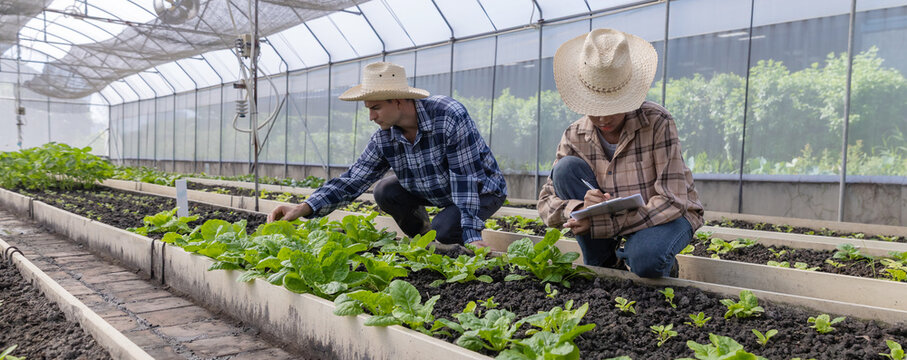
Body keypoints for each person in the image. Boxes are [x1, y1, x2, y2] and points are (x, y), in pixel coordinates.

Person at [268, 62, 507, 247]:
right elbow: (352, 180)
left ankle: (456, 245)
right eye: (368, 109)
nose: (371, 117)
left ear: (399, 101)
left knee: (445, 231)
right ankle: (427, 243)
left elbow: (465, 178)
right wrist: (303, 207)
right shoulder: (385, 137)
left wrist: (472, 233)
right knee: (385, 190)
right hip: (437, 191)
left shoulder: (447, 116)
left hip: (481, 188)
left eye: (375, 108)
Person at [537, 28, 704, 278]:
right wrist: (578, 208)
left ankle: (662, 263)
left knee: (646, 259)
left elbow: (672, 201)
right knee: (565, 169)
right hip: (608, 220)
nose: (603, 117)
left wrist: (598, 222)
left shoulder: (657, 122)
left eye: (613, 106)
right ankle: (604, 263)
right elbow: (545, 201)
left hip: (664, 217)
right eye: (594, 107)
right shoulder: (574, 135)